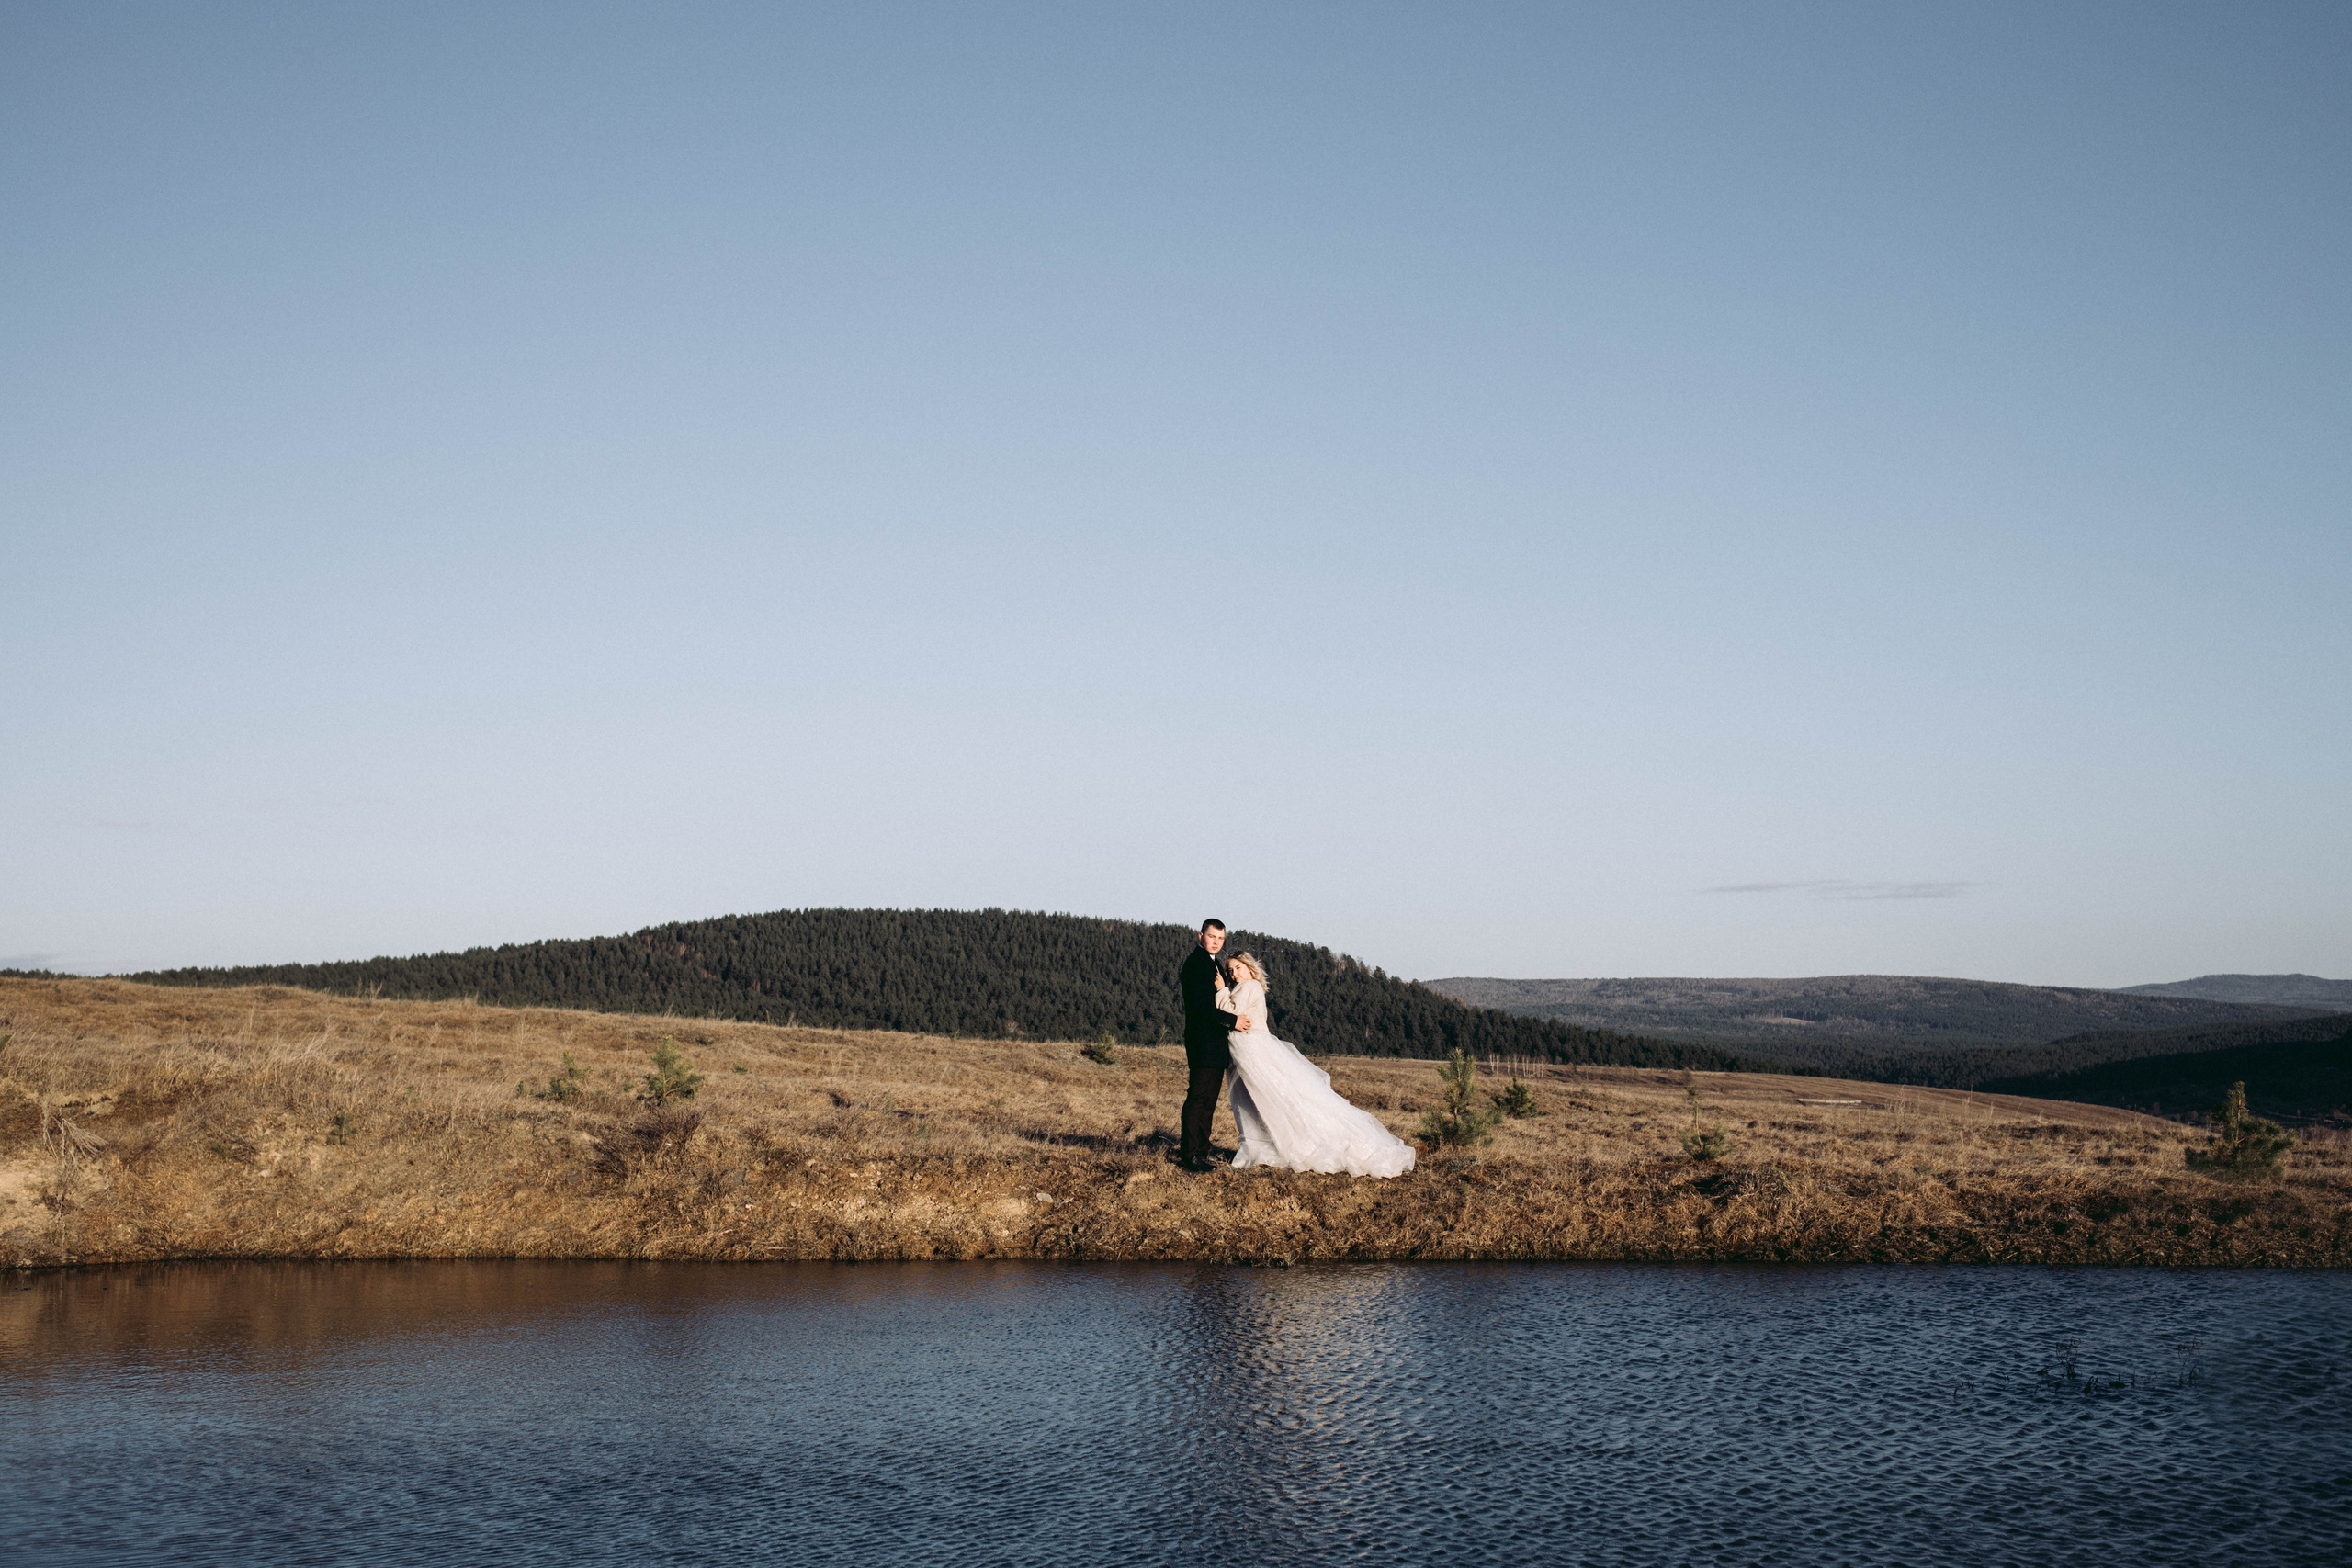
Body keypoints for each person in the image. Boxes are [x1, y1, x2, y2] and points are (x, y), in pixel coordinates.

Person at [1220, 950, 1415, 1178]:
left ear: (1249, 968)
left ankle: (1272, 1147)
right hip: (1255, 1047)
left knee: (1268, 1100)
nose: (1234, 974)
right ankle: (1274, 1146)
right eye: (1230, 971)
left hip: (1252, 1049)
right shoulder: (1252, 986)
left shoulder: (1247, 986)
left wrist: (1221, 990)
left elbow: (1229, 1012)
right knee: (1277, 1099)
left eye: (1238, 968)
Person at [1176, 919, 1250, 1169]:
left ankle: (1203, 1149)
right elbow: (1203, 1009)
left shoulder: (1213, 963)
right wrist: (1234, 1021)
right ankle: (1190, 1155)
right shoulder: (1196, 964)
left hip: (1215, 1043)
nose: (1216, 942)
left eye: (1220, 938)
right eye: (1212, 937)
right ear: (1200, 936)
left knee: (1209, 1100)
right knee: (1198, 1098)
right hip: (1202, 1042)